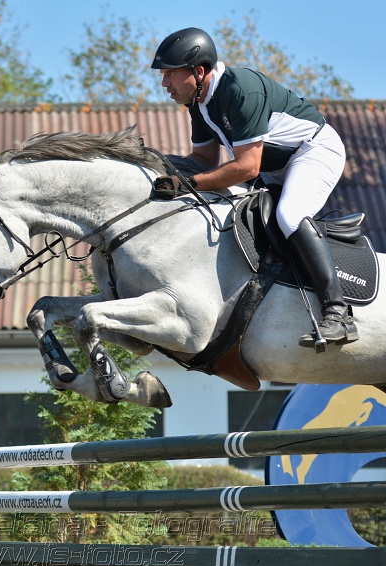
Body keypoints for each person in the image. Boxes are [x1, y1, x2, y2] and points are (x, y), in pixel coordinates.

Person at [151, 27, 358, 348]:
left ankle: (338, 313)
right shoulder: (198, 103)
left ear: (199, 71)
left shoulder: (239, 91)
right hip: (274, 165)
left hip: (313, 150)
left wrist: (187, 183)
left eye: (170, 75)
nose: (164, 84)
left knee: (289, 215)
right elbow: (204, 160)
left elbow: (246, 167)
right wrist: (158, 165)